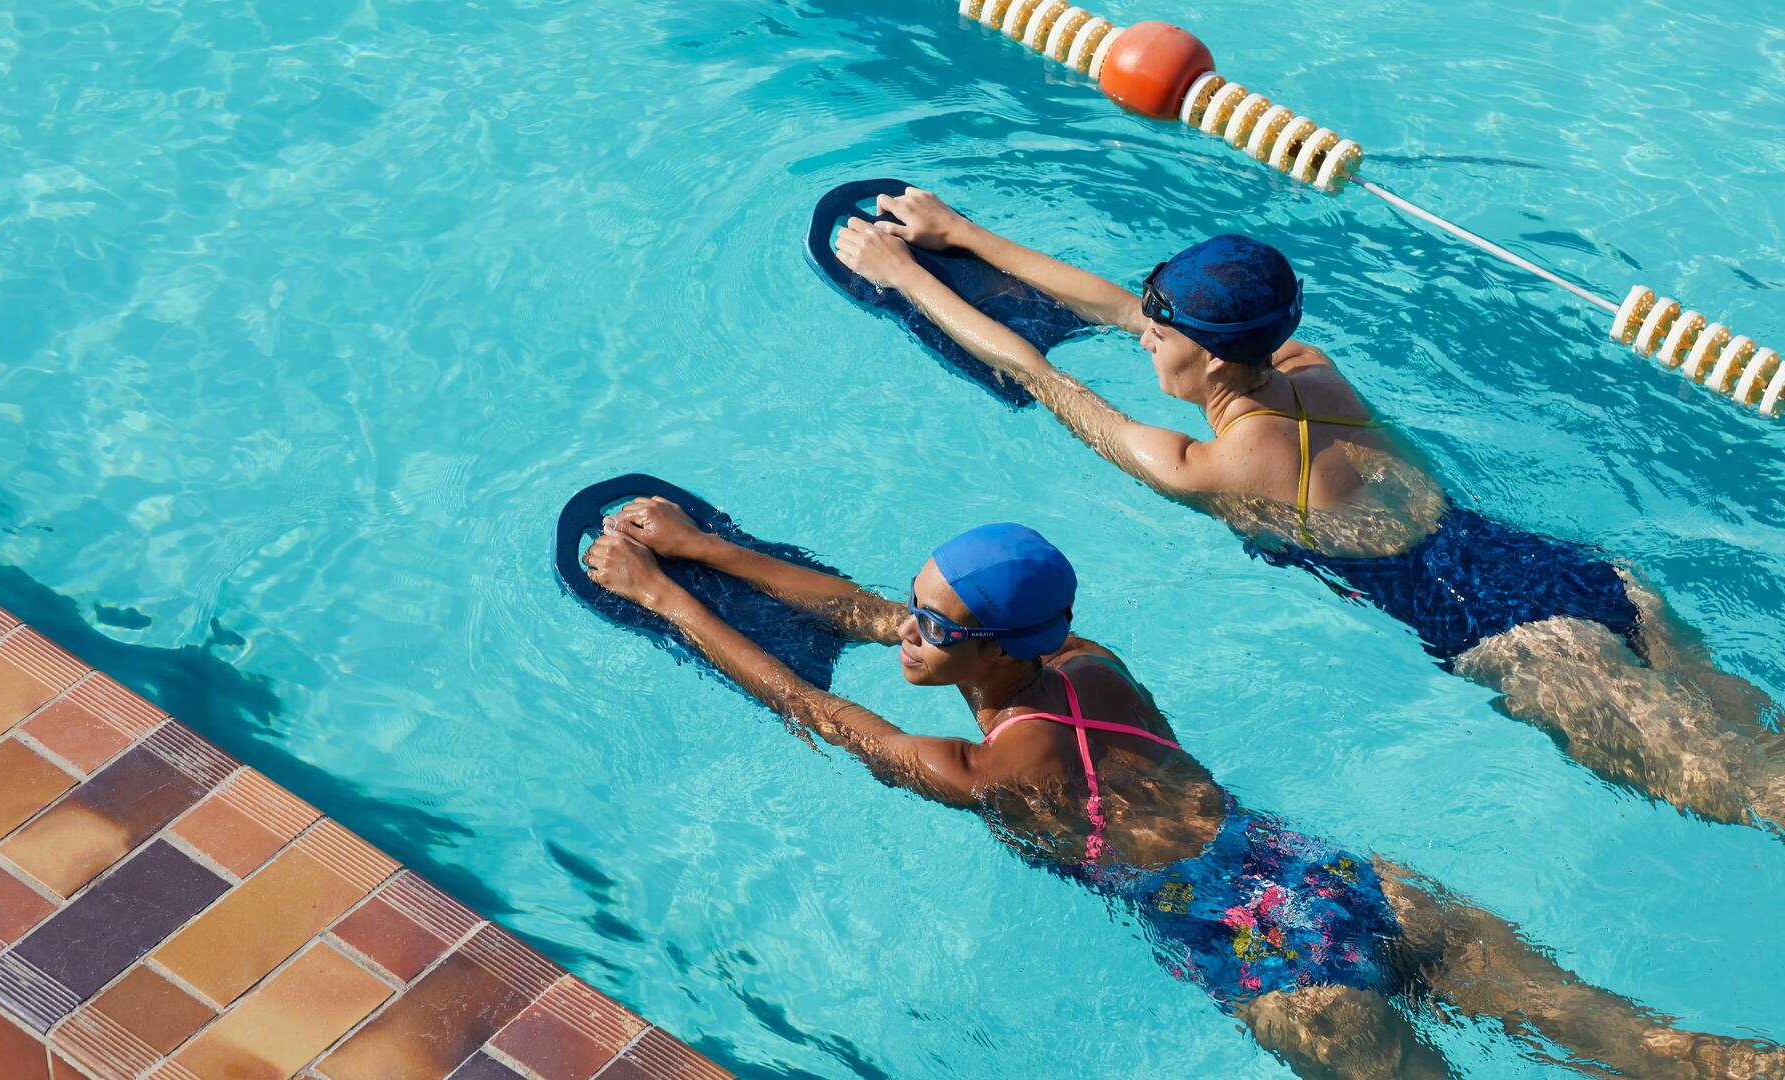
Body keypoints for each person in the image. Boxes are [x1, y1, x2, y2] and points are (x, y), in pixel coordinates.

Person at [583, 505, 1777, 1079]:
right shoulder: (1081, 660)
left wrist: (666, 601)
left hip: (1274, 967)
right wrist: (709, 547)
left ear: (988, 646)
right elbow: (873, 615)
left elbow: (825, 714)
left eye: (935, 625)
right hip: (1342, 881)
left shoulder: (1010, 768)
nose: (910, 632)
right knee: (1647, 1041)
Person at [831, 190, 1783, 836]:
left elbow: (1035, 373)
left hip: (1526, 641)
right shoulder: (1305, 365)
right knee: (1765, 746)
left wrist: (905, 275)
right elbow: (1124, 308)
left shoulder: (1210, 466)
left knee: (1748, 793)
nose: (1142, 336)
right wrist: (961, 233)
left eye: (1159, 333)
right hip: (1575, 572)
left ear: (1200, 357)